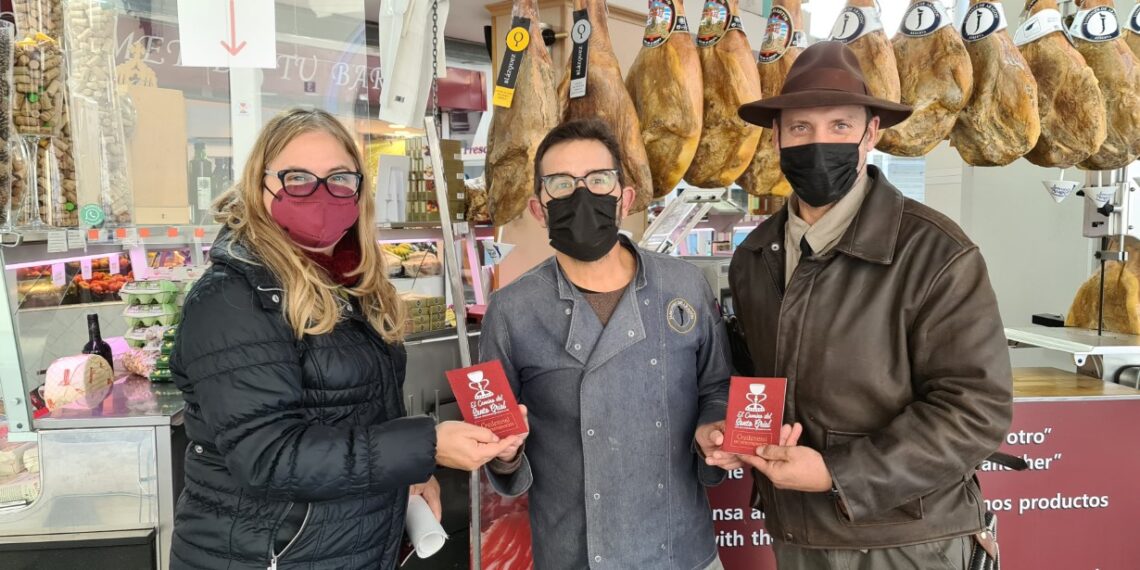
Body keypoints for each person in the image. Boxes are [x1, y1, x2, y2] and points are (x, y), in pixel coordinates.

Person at [169, 108, 523, 570]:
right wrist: (426, 447)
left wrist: (405, 475)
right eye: (297, 178)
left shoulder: (351, 283)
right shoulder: (232, 297)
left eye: (338, 178)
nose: (320, 194)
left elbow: (356, 417)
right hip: (269, 557)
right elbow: (268, 457)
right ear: (261, 185)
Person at [719, 41, 1014, 569]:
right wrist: (727, 429)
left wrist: (838, 474)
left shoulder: (936, 252)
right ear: (777, 137)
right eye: (801, 128)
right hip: (796, 534)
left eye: (840, 126)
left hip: (907, 541)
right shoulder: (754, 256)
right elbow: (754, 376)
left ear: (870, 133)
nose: (819, 142)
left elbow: (975, 410)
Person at [479, 118, 734, 570]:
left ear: (625, 198)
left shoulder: (684, 286)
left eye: (598, 180)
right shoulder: (512, 309)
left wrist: (712, 427)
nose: (582, 196)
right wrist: (503, 453)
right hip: (574, 552)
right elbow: (496, 430)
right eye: (561, 184)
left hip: (681, 549)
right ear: (539, 209)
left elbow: (717, 386)